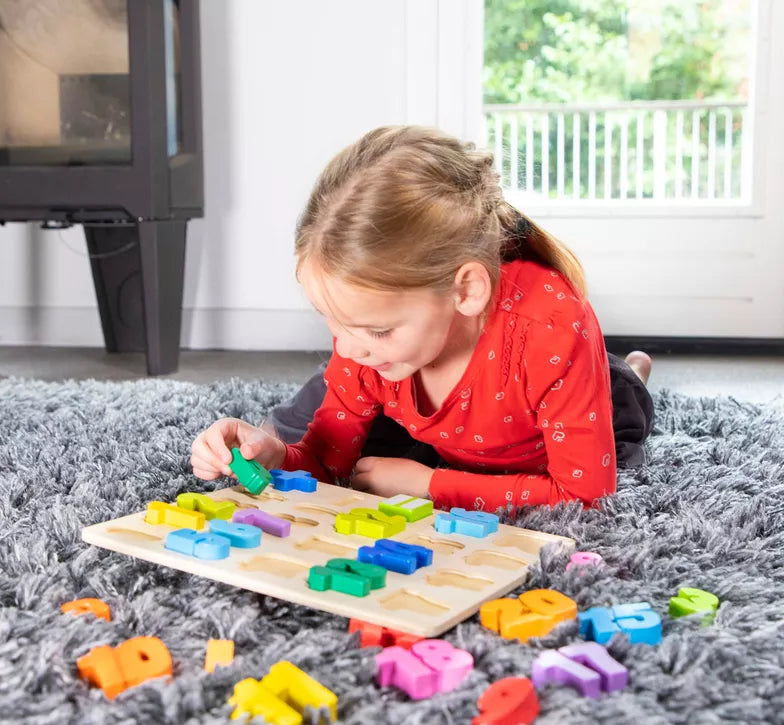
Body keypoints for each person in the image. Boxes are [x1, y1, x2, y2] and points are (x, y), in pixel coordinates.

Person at [191, 126, 653, 514]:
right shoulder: (363, 336)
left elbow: (584, 495)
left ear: (465, 291)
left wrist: (430, 485)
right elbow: (324, 462)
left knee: (624, 413)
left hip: (580, 396)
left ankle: (634, 371)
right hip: (464, 426)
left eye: (377, 331)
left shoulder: (551, 328)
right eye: (332, 321)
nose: (347, 349)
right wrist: (274, 455)